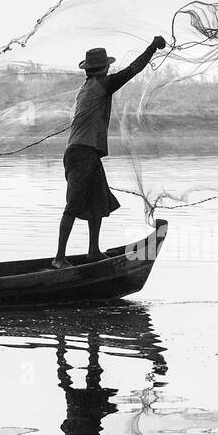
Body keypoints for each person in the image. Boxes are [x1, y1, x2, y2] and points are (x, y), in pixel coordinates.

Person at [51, 36, 168, 269]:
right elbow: (133, 70)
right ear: (104, 69)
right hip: (81, 154)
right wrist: (152, 48)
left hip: (85, 153)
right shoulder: (101, 85)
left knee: (96, 202)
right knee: (73, 205)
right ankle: (59, 258)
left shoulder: (87, 88)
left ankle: (93, 252)